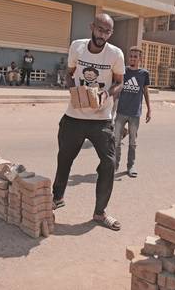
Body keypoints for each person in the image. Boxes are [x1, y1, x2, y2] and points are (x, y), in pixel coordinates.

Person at [52, 13, 125, 231]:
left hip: (101, 120)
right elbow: (69, 73)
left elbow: (119, 83)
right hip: (74, 116)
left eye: (107, 31)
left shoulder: (115, 54)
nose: (102, 34)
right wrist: (74, 91)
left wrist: (107, 95)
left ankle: (100, 213)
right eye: (100, 29)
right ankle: (57, 198)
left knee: (109, 163)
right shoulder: (77, 47)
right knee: (64, 159)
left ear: (111, 33)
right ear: (92, 27)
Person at [114, 46, 151, 178]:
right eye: (131, 56)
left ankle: (131, 166)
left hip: (135, 113)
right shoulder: (123, 71)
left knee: (132, 142)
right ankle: (115, 165)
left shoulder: (144, 74)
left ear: (140, 59)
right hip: (121, 111)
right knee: (116, 141)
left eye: (135, 56)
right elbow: (117, 87)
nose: (132, 58)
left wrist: (149, 110)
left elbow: (145, 92)